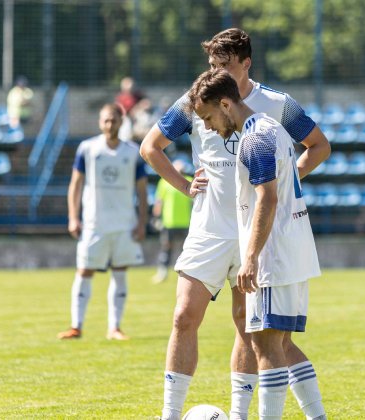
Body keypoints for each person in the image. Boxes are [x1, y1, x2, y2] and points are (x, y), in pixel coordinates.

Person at [140, 28, 330, 420]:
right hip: (209, 228)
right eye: (212, 64)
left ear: (246, 63)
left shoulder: (275, 105)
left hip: (255, 231)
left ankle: (240, 414)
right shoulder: (198, 99)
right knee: (183, 316)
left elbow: (319, 145)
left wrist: (283, 178)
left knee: (252, 329)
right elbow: (150, 146)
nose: (217, 71)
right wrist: (183, 185)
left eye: (224, 65)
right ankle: (170, 414)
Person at [187, 68, 326, 420]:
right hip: (293, 250)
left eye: (207, 117)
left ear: (225, 104)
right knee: (280, 343)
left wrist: (249, 259)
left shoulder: (254, 139)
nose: (206, 127)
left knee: (265, 345)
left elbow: (267, 199)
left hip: (272, 255)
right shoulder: (270, 127)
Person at [58, 103, 148, 341]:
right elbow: (75, 184)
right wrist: (73, 216)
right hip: (93, 223)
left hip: (123, 223)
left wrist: (142, 222)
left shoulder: (132, 151)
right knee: (84, 271)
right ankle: (76, 326)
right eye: (106, 120)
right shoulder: (87, 148)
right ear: (100, 122)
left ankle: (114, 327)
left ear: (121, 121)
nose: (110, 124)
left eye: (114, 120)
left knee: (120, 272)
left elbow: (142, 190)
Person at [152, 159, 193, 284]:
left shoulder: (189, 181)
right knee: (166, 247)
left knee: (187, 250)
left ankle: (187, 274)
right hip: (169, 222)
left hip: (186, 222)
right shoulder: (164, 182)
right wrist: (156, 218)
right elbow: (159, 201)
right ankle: (162, 272)